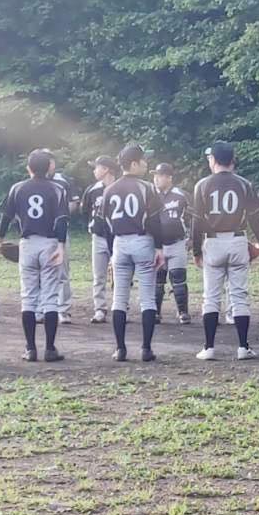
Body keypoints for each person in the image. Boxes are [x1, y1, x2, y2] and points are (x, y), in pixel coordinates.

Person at [191, 141, 259, 361]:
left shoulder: (202, 185)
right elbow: (254, 217)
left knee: (211, 297)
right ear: (232, 160)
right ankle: (243, 347)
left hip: (213, 241)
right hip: (237, 240)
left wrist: (196, 250)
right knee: (239, 296)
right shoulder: (244, 184)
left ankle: (209, 347)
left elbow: (197, 222)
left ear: (213, 160)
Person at [0, 149, 70, 362]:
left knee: (28, 297)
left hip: (27, 244)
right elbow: (62, 220)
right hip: (49, 243)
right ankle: (49, 348)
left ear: (28, 168)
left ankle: (30, 349)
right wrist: (61, 246)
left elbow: (6, 216)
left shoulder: (17, 188)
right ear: (49, 168)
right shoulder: (57, 189)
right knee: (49, 298)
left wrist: (0, 239)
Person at [103, 144, 164, 362]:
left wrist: (112, 251)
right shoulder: (147, 188)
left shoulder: (109, 189)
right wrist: (159, 247)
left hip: (120, 242)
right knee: (147, 298)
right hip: (142, 240)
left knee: (119, 298)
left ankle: (120, 349)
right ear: (134, 164)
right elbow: (156, 220)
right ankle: (146, 349)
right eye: (143, 160)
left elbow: (106, 223)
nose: (146, 164)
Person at [152, 162, 192, 324]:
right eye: (155, 175)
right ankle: (155, 312)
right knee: (158, 278)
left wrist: (193, 239)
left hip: (177, 243)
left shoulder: (181, 195)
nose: (156, 179)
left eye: (160, 175)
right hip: (157, 245)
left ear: (169, 177)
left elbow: (194, 218)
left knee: (178, 277)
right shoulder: (150, 195)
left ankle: (183, 312)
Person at [83, 155, 117, 323]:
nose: (94, 170)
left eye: (97, 167)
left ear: (106, 169)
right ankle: (100, 308)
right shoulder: (92, 190)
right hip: (98, 236)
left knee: (120, 274)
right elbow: (86, 211)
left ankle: (120, 306)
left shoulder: (120, 188)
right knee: (99, 275)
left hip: (118, 237)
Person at [51, 159, 82, 323]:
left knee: (62, 271)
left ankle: (63, 310)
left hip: (60, 230)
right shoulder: (35, 181)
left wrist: (60, 215)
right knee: (41, 272)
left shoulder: (63, 181)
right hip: (41, 232)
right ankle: (43, 309)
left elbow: (74, 204)